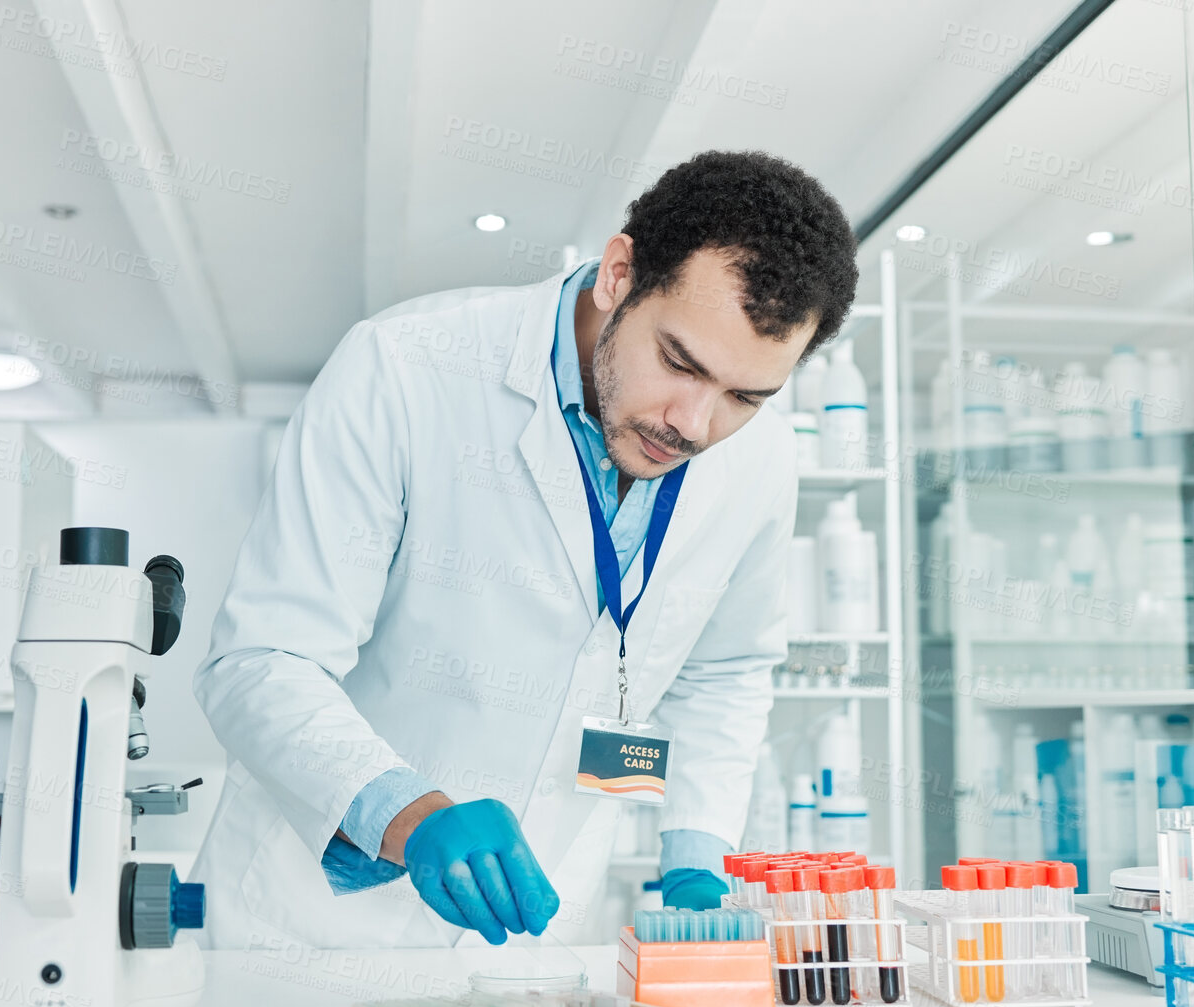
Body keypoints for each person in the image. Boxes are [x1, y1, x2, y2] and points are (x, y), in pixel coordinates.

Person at [191, 150, 859, 950]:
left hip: (536, 928)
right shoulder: (406, 367)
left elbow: (726, 669)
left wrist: (695, 854)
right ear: (619, 273)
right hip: (314, 929)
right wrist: (404, 810)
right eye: (679, 361)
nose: (693, 422)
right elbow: (263, 658)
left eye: (746, 395)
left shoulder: (762, 458)